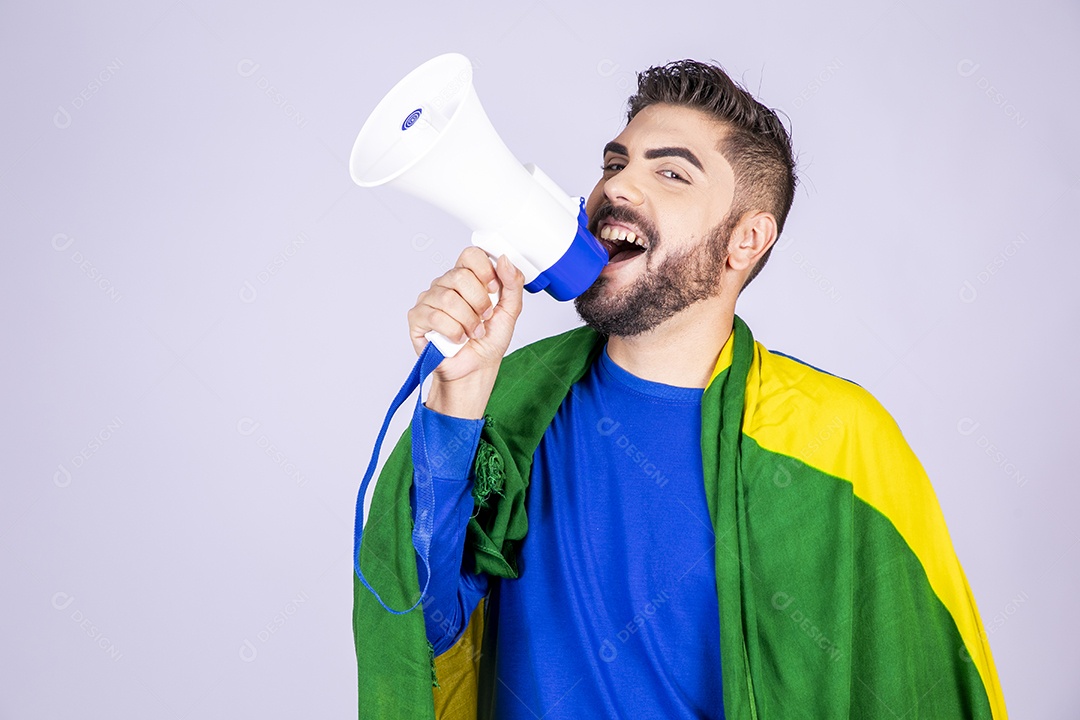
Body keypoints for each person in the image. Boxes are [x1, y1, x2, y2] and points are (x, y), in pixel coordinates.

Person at [352, 60, 1008, 720]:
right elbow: (422, 629)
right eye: (615, 164)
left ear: (746, 240)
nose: (618, 187)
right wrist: (456, 400)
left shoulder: (838, 438)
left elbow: (914, 680)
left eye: (670, 173)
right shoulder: (508, 403)